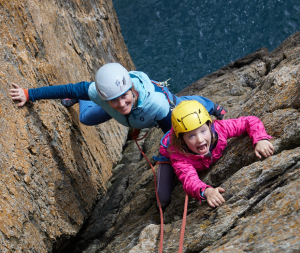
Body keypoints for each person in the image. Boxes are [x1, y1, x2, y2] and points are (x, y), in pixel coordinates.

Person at [10, 63, 226, 133]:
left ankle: (212, 106)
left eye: (125, 97)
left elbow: (171, 135)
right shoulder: (100, 93)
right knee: (85, 118)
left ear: (132, 89)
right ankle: (82, 99)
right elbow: (65, 88)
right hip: (115, 108)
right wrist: (29, 94)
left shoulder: (156, 105)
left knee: (187, 106)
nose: (122, 104)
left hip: (150, 109)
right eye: (115, 99)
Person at [157, 100, 274, 208]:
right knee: (163, 198)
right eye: (191, 136)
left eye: (203, 131)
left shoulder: (220, 129)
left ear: (209, 126)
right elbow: (189, 181)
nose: (199, 139)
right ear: (182, 139)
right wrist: (206, 191)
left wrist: (260, 139)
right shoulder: (179, 155)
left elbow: (249, 121)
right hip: (167, 154)